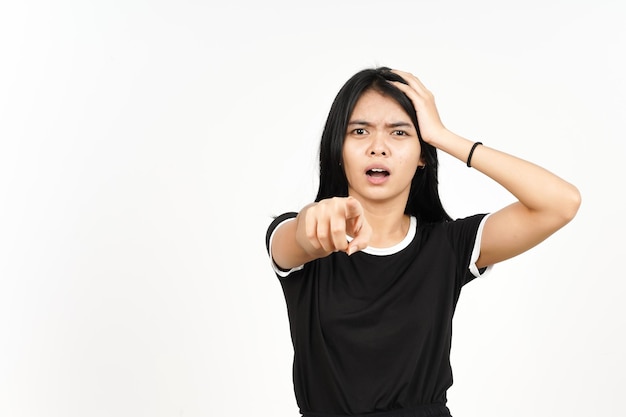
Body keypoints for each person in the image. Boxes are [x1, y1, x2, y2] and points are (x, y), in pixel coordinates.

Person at [265, 67, 581, 417]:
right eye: (359, 131)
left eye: (399, 132)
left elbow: (560, 204)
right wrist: (316, 217)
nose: (378, 148)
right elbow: (300, 236)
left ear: (421, 155)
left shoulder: (447, 246)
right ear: (338, 148)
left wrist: (443, 136)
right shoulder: (303, 236)